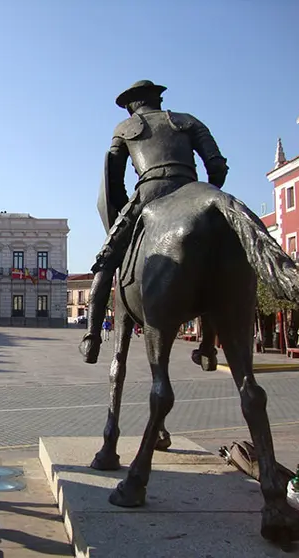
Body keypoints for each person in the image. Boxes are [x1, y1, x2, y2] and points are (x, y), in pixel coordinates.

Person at [80, 80, 229, 363]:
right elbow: (217, 166)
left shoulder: (125, 129)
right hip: (193, 188)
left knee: (105, 261)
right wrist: (206, 192)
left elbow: (112, 182)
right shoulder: (188, 121)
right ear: (157, 100)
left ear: (133, 106)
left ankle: (91, 337)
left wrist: (126, 208)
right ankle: (209, 344)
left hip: (150, 192)